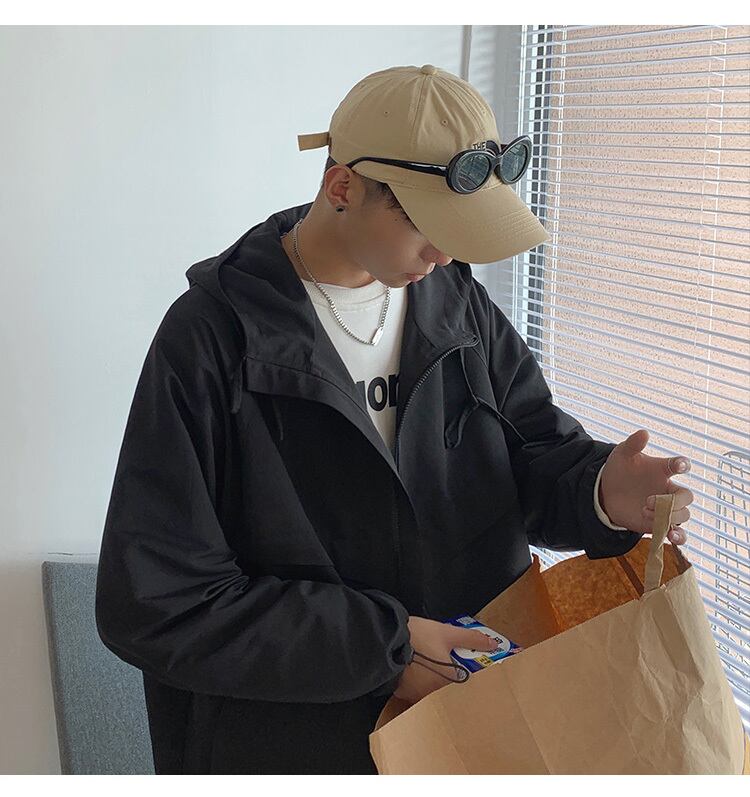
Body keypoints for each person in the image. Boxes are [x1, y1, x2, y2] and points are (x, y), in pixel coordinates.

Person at [95, 64, 694, 775]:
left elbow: (529, 453)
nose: (445, 252)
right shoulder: (213, 338)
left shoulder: (454, 304)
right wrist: (385, 649)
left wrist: (600, 490)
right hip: (288, 748)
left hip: (467, 731)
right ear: (342, 187)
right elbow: (158, 601)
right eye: (425, 225)